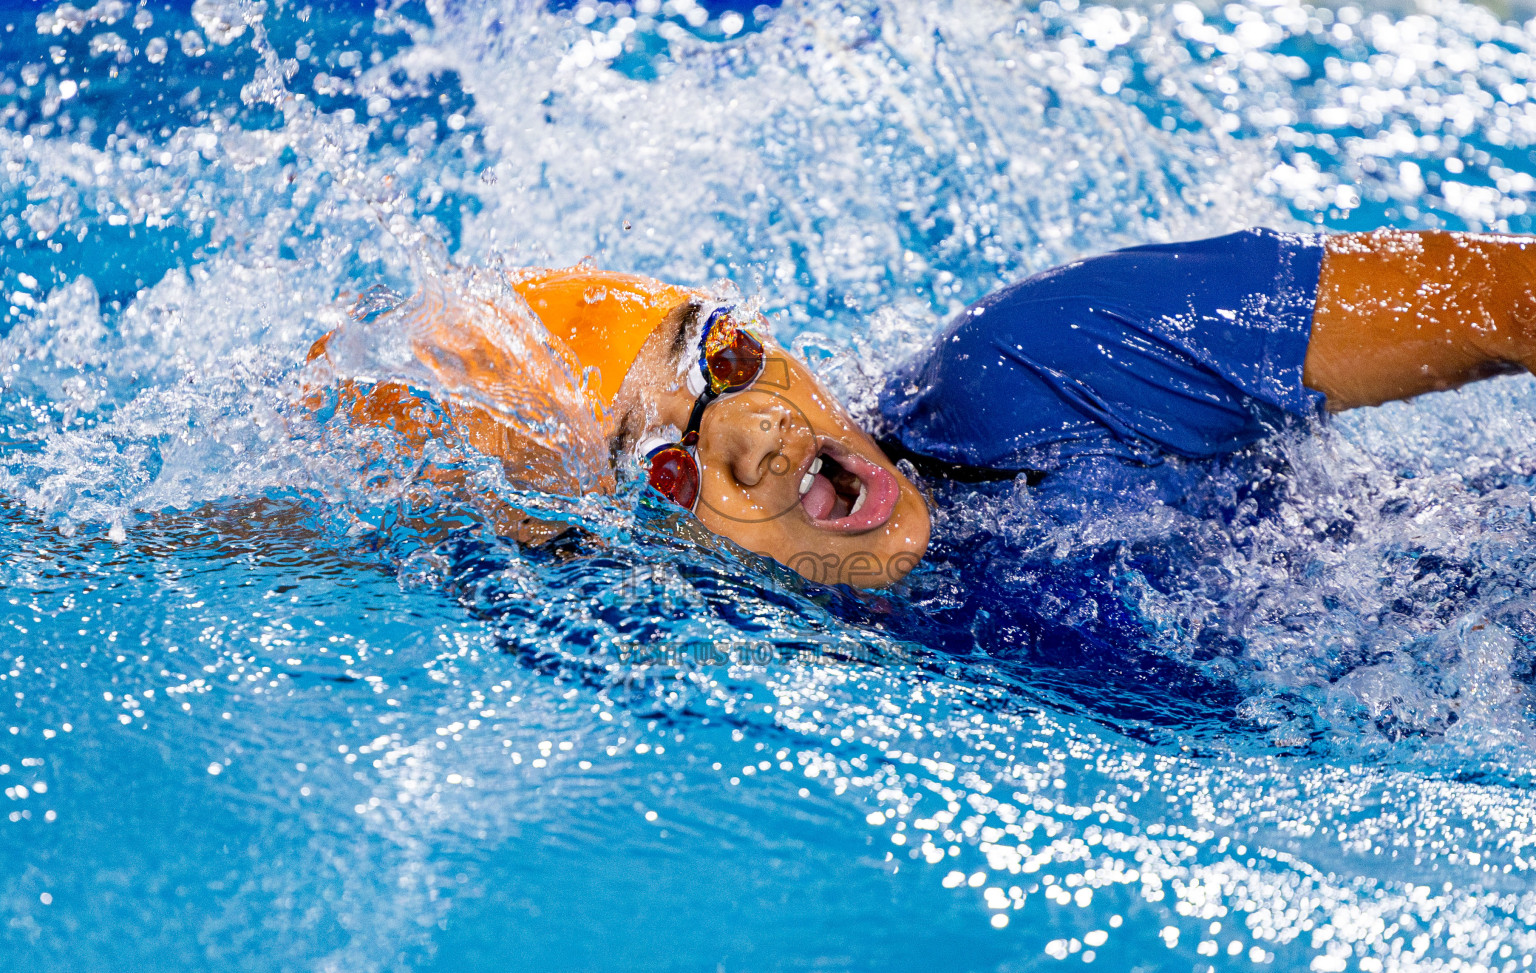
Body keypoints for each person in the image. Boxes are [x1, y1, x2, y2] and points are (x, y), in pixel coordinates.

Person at [305, 228, 1536, 591]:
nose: (759, 430)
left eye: (721, 355)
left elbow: (1507, 300)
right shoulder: (685, 646)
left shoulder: (1059, 357)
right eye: (663, 467)